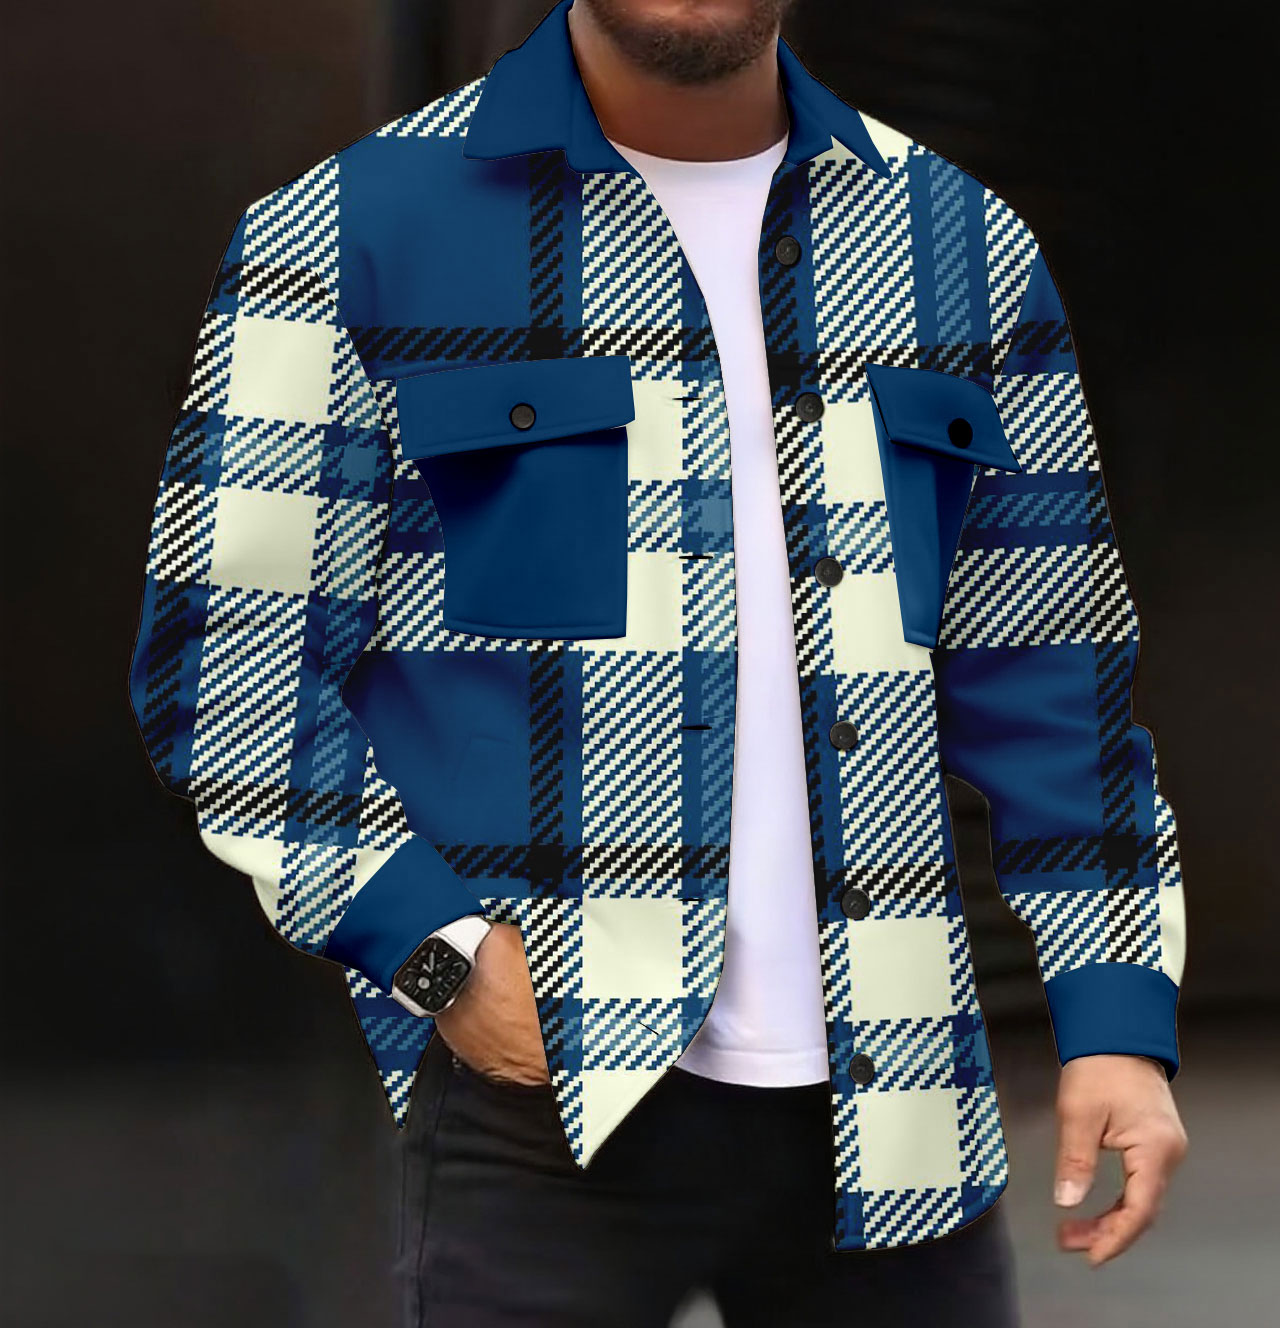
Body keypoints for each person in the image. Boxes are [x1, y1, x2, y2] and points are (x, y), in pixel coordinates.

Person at [127, 1, 1190, 1324]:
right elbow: (228, 669)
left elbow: (1052, 676)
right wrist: (438, 955)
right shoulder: (347, 229)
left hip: (900, 1099)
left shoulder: (957, 239)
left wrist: (1113, 1015)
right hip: (540, 1101)